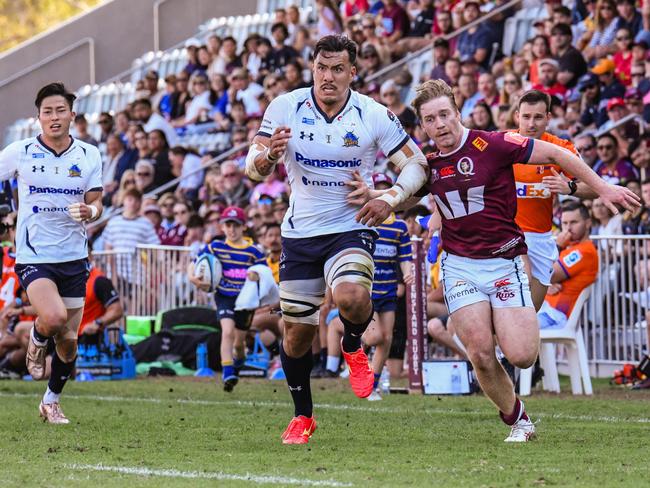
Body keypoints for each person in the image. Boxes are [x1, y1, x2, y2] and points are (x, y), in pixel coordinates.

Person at [352, 79, 639, 442]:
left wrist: (603, 187)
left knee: (521, 355)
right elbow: (408, 196)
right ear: (422, 126)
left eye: (444, 115)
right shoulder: (428, 165)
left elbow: (556, 155)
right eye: (430, 119)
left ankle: (509, 344)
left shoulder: (494, 144)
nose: (439, 124)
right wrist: (376, 195)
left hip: (505, 262)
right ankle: (519, 420)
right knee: (481, 352)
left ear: (457, 113)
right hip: (459, 266)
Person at [245, 35, 428, 444]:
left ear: (353, 72)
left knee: (351, 297)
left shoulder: (372, 114)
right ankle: (303, 416)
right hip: (299, 234)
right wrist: (269, 156)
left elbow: (417, 164)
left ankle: (350, 342)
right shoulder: (285, 106)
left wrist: (390, 198)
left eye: (338, 69)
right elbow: (252, 170)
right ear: (312, 68)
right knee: (297, 336)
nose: (328, 77)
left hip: (351, 225)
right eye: (321, 68)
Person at [0, 82, 104, 424]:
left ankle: (51, 401)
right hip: (34, 255)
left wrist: (91, 212)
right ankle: (36, 334)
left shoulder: (89, 154)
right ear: (38, 117)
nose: (54, 117)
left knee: (69, 344)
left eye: (60, 110)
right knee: (55, 318)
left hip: (74, 256)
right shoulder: (21, 151)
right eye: (48, 112)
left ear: (72, 115)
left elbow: (96, 201)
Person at [513, 90, 595, 310]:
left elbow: (595, 187)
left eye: (538, 117)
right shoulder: (503, 145)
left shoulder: (562, 149)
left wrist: (570, 187)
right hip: (508, 233)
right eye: (526, 116)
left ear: (548, 118)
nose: (531, 123)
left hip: (541, 238)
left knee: (530, 313)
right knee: (523, 281)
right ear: (517, 117)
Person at [188, 206, 267, 391]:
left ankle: (238, 361)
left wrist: (257, 275)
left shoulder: (253, 252)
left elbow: (264, 273)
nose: (232, 229)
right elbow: (194, 262)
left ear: (243, 227)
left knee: (239, 343)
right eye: (228, 225)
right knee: (228, 331)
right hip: (224, 296)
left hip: (245, 300)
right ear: (222, 227)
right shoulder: (215, 247)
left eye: (236, 225)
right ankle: (227, 371)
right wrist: (192, 277)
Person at [360, 173, 412, 401]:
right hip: (367, 290)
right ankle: (351, 346)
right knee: (374, 338)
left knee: (387, 338)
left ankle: (373, 383)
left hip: (389, 289)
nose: (381, 193)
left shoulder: (400, 227)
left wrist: (408, 272)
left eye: (385, 189)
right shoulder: (361, 220)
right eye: (377, 188)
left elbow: (405, 255)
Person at [537, 202, 598, 330]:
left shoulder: (583, 251)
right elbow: (545, 276)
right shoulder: (571, 247)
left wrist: (558, 246)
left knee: (511, 329)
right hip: (546, 310)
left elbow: (549, 274)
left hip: (555, 316)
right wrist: (546, 284)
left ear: (587, 223)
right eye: (565, 223)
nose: (568, 228)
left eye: (574, 222)